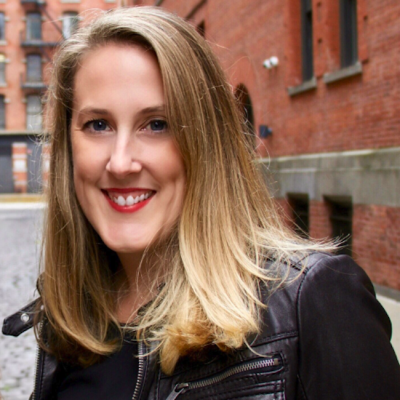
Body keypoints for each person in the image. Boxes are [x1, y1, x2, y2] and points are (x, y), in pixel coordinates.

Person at [2, 6, 400, 400]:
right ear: (69, 148)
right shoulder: (68, 322)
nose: (121, 162)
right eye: (98, 125)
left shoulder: (312, 303)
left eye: (157, 124)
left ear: (208, 142)